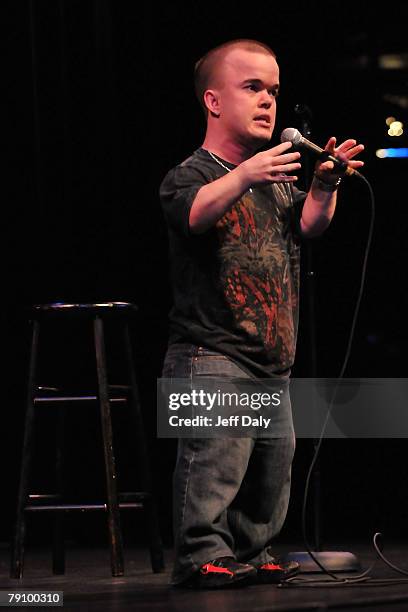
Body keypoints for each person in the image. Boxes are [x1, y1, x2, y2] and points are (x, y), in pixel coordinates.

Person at [159, 39, 364, 589]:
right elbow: (195, 215)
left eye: (273, 90)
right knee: (214, 462)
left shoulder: (274, 183)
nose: (268, 100)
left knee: (270, 470)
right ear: (214, 101)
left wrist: (323, 183)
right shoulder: (192, 173)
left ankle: (253, 549)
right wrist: (248, 173)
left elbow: (310, 226)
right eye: (252, 87)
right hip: (211, 352)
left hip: (271, 357)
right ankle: (201, 553)